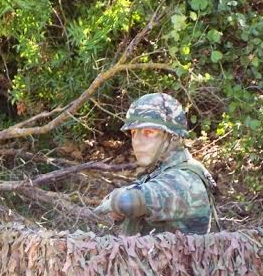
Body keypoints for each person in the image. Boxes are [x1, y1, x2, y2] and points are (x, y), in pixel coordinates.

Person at [94, 93, 220, 235]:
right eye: (134, 133)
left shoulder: (186, 179)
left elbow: (128, 201)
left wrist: (115, 202)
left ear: (173, 137)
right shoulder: (158, 173)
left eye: (149, 132)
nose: (137, 141)